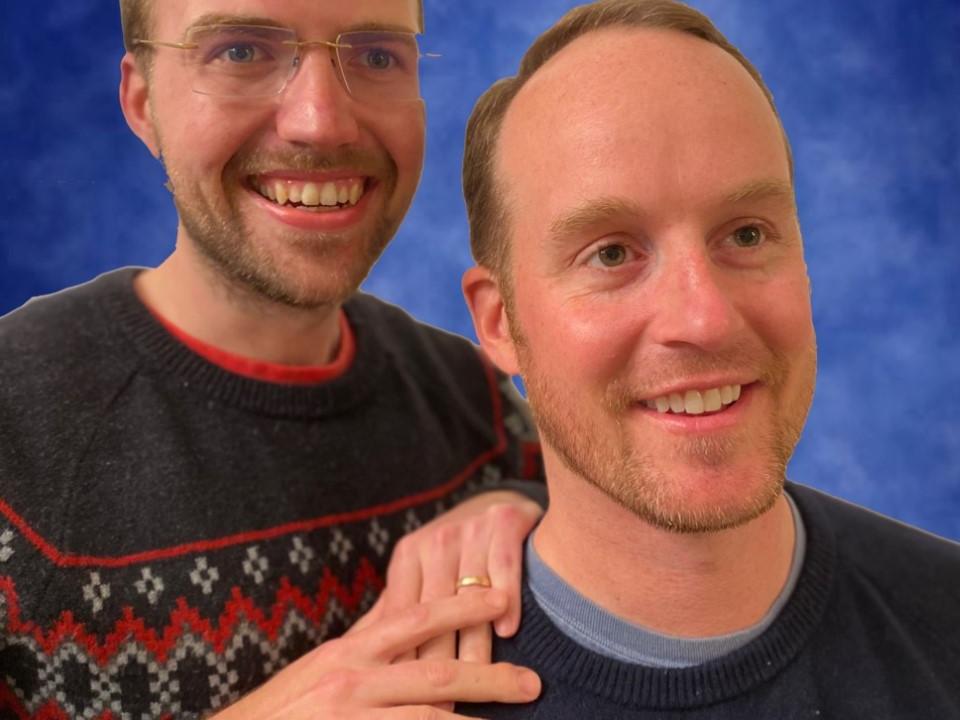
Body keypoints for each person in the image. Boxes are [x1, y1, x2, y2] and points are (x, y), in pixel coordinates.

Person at [0, 1, 547, 717]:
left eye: (377, 55)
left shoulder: (476, 402)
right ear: (141, 102)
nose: (321, 120)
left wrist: (528, 506)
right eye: (239, 52)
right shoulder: (14, 435)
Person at [455, 0, 960, 717]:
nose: (704, 317)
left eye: (747, 235)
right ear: (500, 324)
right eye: (611, 253)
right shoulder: (402, 698)